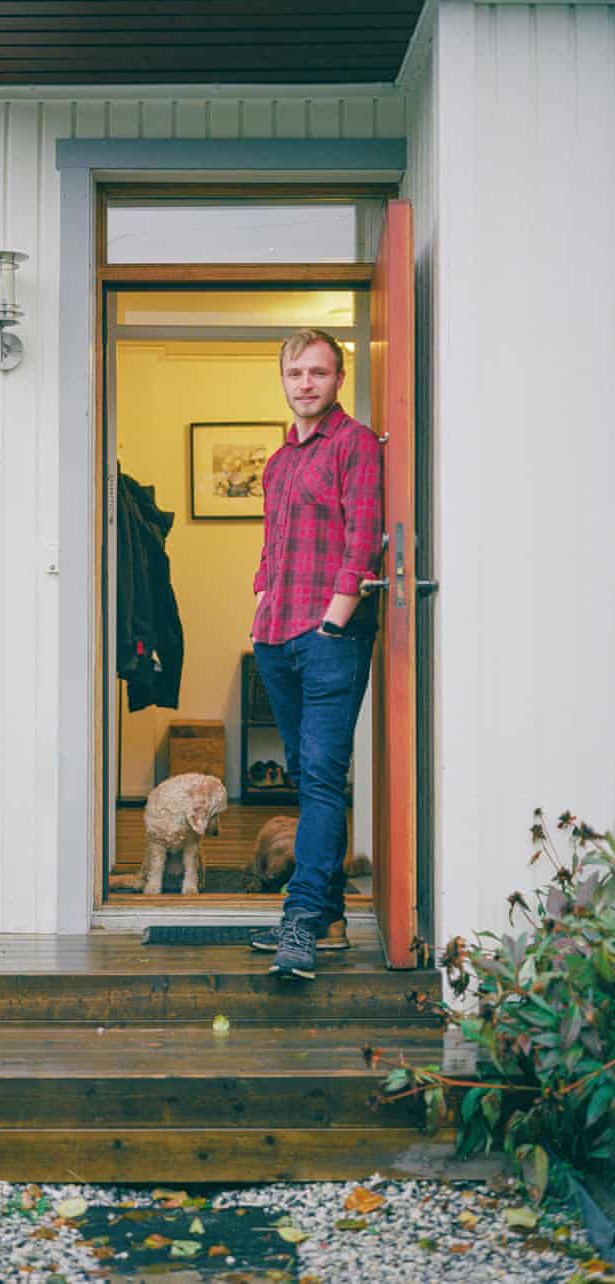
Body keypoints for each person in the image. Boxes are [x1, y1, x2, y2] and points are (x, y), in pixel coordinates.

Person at [249, 328, 383, 979]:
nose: (306, 383)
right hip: (276, 636)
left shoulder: (354, 445)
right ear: (283, 379)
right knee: (305, 774)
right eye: (296, 372)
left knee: (324, 777)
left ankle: (299, 924)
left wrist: (336, 618)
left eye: (319, 372)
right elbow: (272, 547)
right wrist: (261, 599)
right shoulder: (279, 462)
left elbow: (365, 537)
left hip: (330, 637)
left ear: (338, 379)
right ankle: (329, 919)